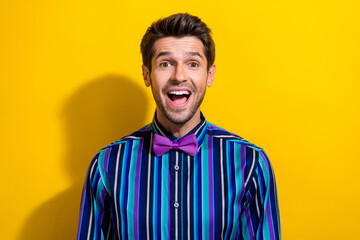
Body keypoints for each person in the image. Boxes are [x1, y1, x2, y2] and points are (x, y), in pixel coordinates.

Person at [77, 13, 281, 240]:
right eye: (165, 64)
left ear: (209, 75)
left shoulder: (250, 163)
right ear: (147, 75)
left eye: (193, 64)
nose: (179, 76)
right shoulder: (107, 165)